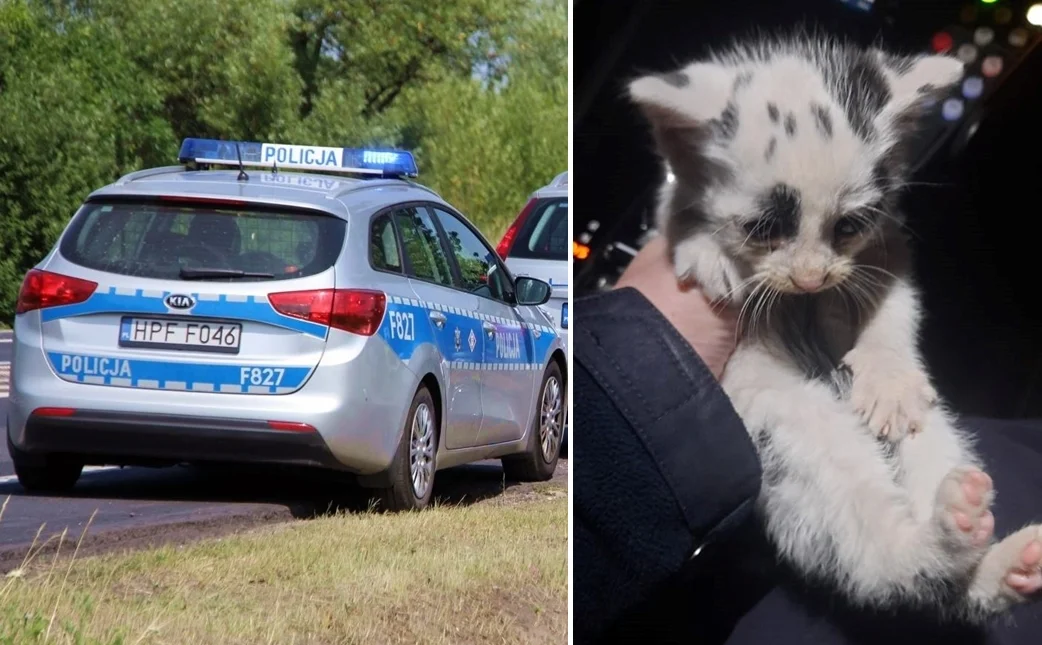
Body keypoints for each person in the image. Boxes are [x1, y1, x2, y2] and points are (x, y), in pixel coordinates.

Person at [573, 235, 1042, 645]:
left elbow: (887, 266)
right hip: (761, 370)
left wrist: (885, 349)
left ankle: (969, 581)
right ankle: (917, 563)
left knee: (923, 429)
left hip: (835, 356)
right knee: (816, 449)